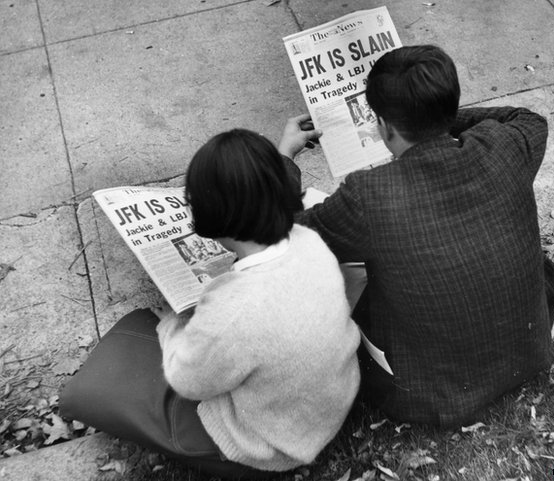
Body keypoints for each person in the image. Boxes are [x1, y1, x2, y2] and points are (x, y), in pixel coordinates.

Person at [277, 45, 554, 427]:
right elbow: (524, 118)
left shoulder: (369, 195)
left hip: (428, 397)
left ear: (384, 126)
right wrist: (436, 116)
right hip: (527, 354)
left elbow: (284, 231)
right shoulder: (505, 145)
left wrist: (283, 157)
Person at [60, 129, 361, 478]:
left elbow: (190, 382)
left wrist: (172, 323)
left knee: (96, 379)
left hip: (274, 444)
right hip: (331, 399)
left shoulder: (234, 310)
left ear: (211, 219)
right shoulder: (309, 240)